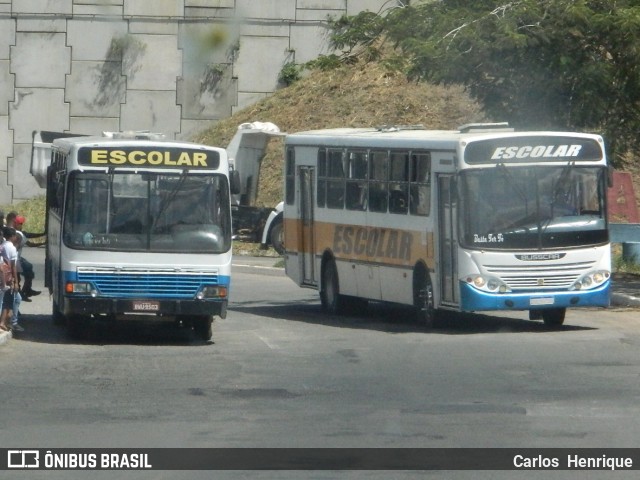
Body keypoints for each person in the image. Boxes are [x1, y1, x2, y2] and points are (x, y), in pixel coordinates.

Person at [6, 212, 41, 301]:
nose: (21, 225)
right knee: (16, 278)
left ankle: (25, 290)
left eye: (22, 223)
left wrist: (42, 242)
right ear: (15, 223)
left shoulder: (19, 233)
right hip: (14, 259)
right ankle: (20, 294)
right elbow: (15, 246)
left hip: (16, 259)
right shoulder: (16, 235)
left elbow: (29, 243)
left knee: (28, 270)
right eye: (20, 223)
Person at [0, 227, 19, 332]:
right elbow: (13, 266)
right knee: (8, 300)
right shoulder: (12, 248)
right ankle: (4, 322)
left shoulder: (2, 246)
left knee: (6, 300)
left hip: (2, 276)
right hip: (7, 277)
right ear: (12, 236)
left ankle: (6, 322)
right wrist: (15, 281)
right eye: (15, 235)